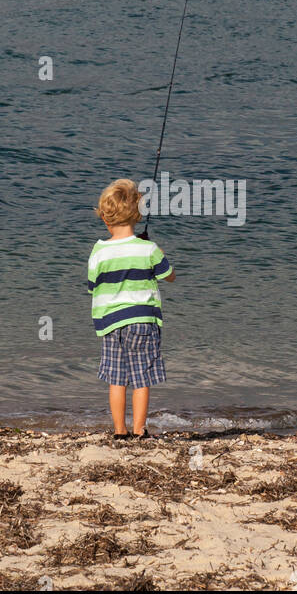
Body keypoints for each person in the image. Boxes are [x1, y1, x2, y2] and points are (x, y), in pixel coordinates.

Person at [87, 178, 174, 440]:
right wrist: (154, 248)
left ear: (104, 218)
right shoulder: (147, 249)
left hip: (111, 322)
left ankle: (119, 431)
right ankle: (139, 430)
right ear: (137, 214)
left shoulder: (99, 251)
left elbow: (93, 286)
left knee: (117, 378)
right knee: (141, 378)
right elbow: (168, 274)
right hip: (142, 321)